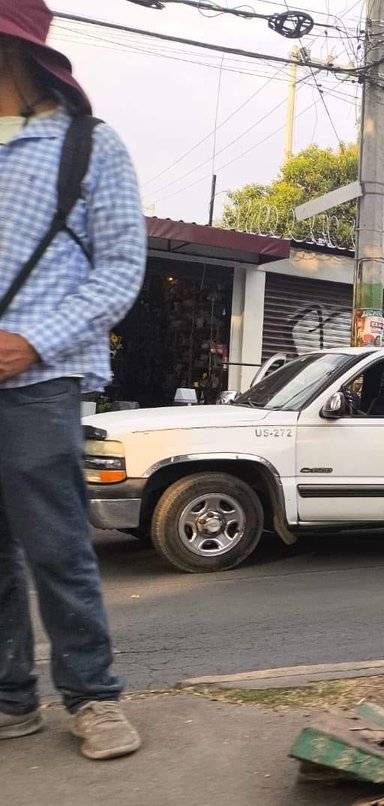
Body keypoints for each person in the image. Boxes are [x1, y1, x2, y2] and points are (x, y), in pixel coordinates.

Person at [0, 1, 145, 760]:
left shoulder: (88, 146)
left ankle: (93, 697)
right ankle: (10, 699)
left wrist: (33, 339)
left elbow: (122, 268)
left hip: (41, 379)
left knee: (57, 546)